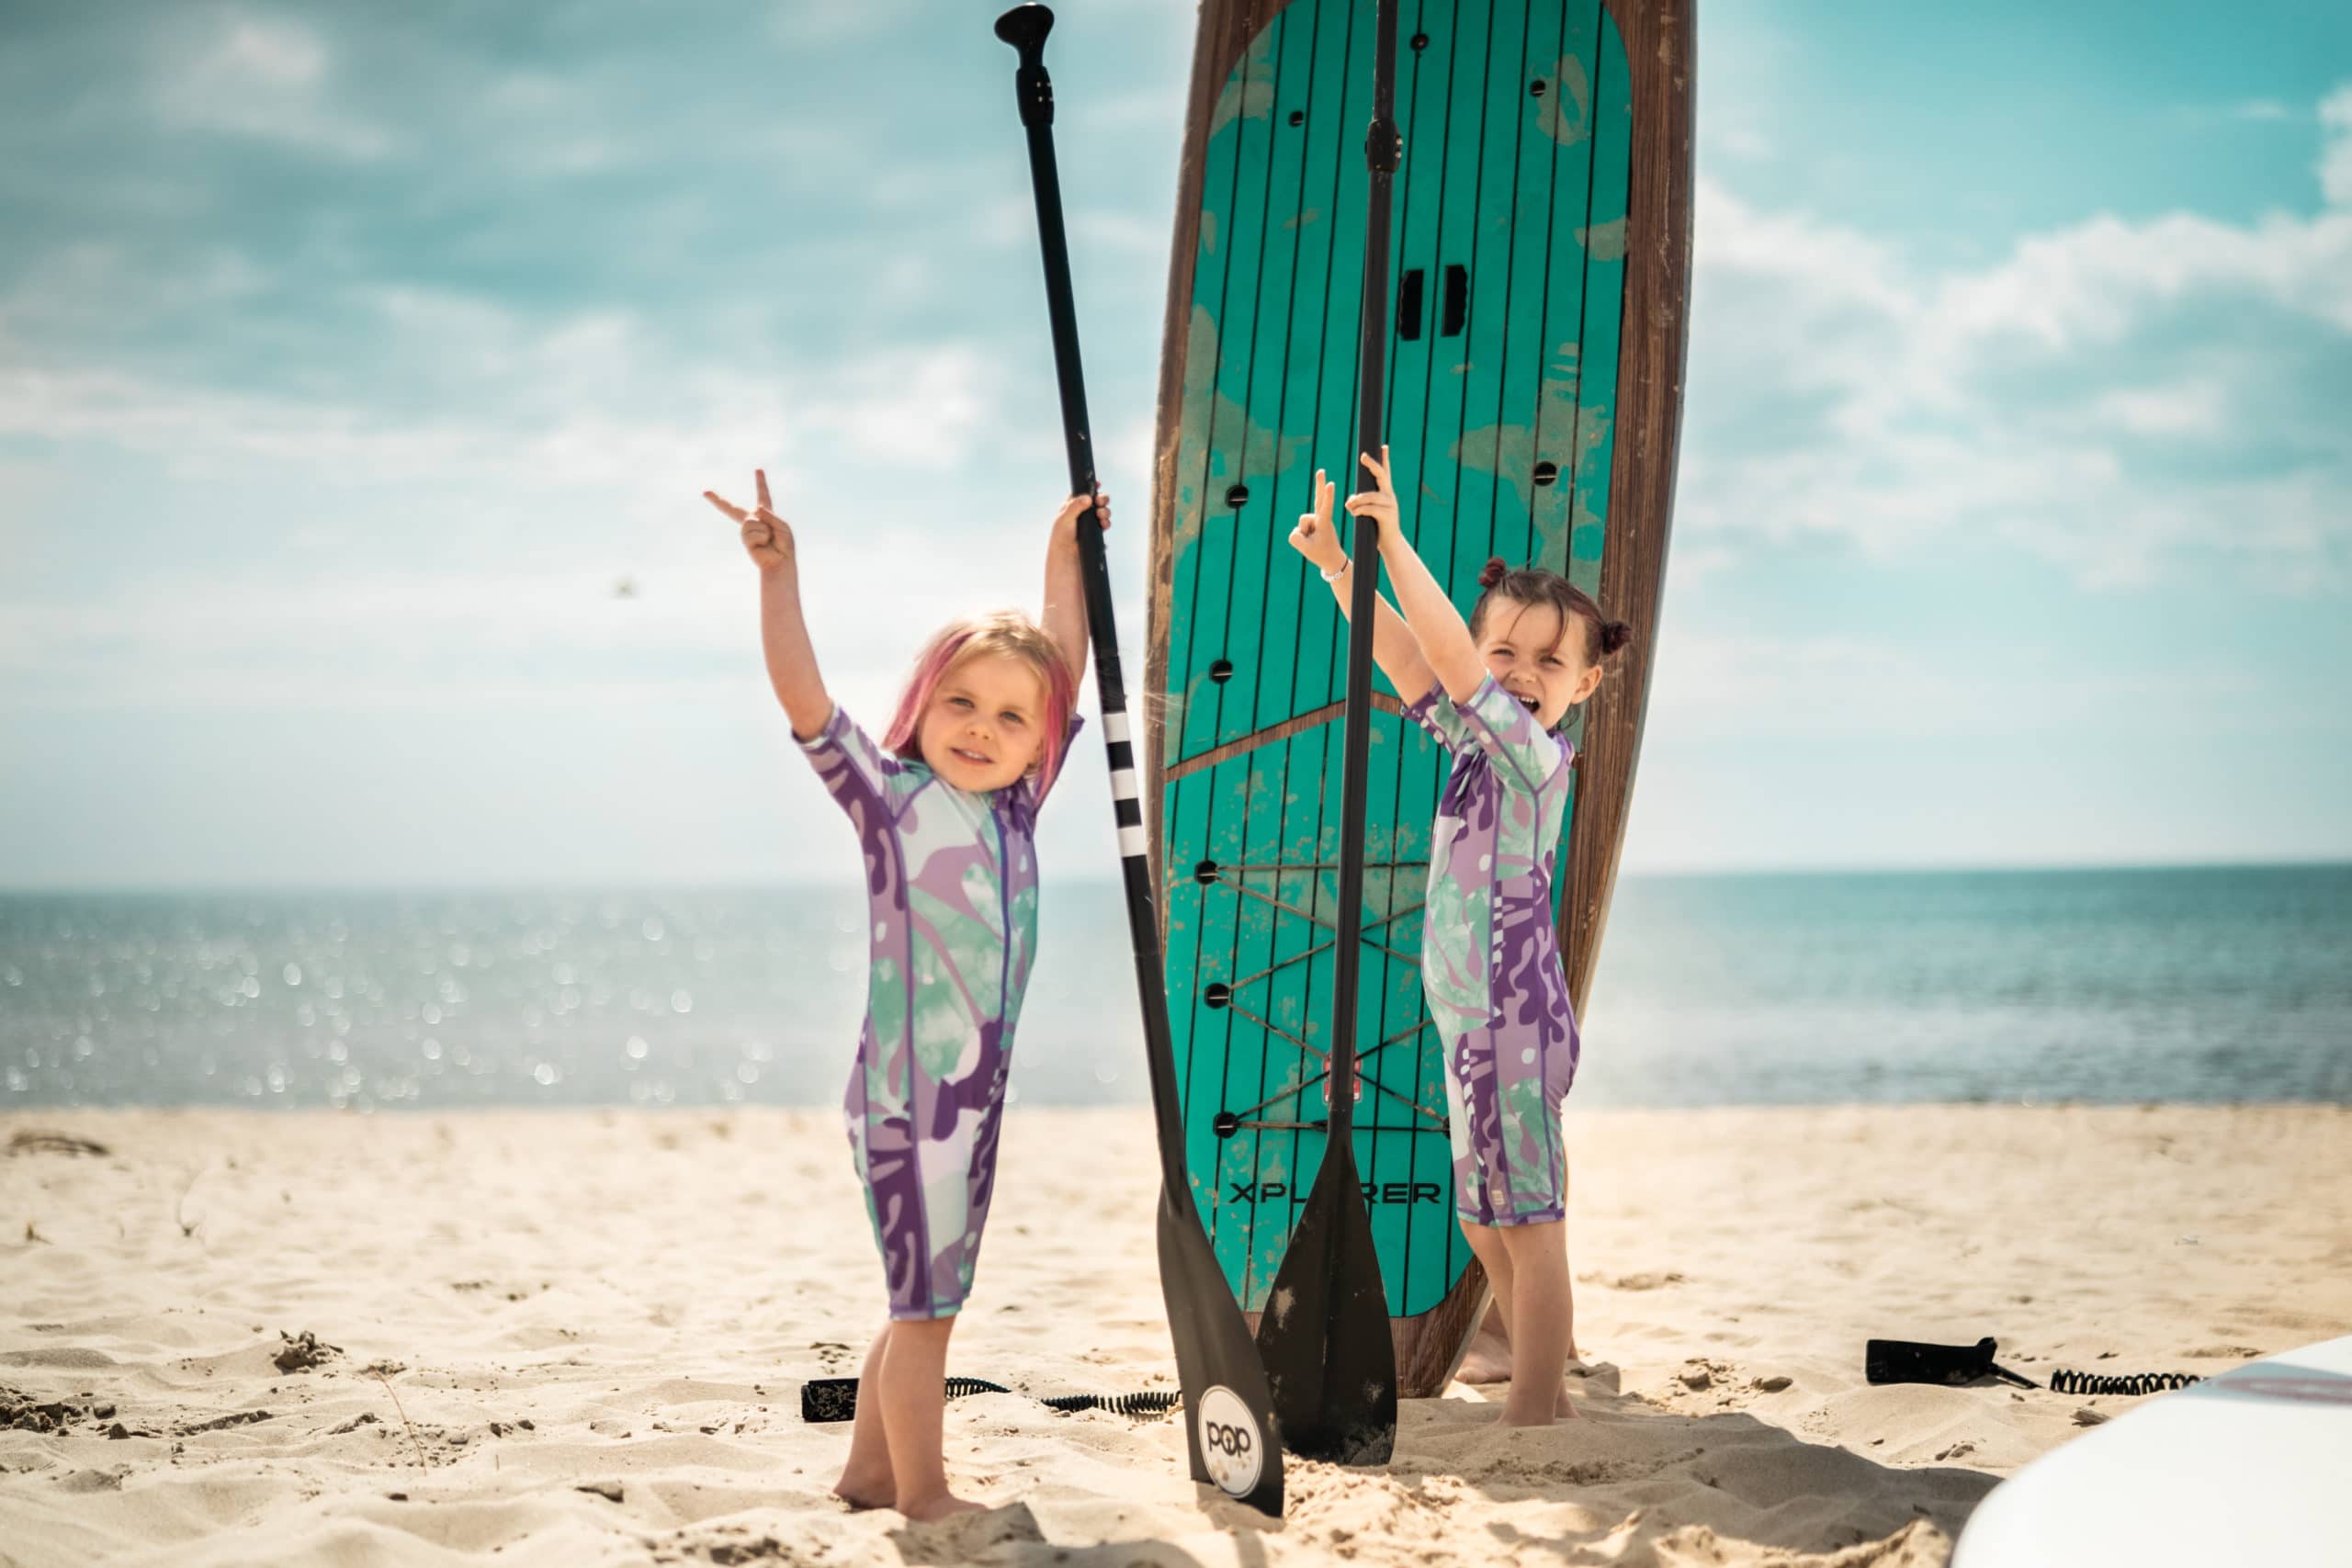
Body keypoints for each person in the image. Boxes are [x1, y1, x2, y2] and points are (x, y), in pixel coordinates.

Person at [703, 469, 1107, 1514]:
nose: (982, 726)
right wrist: (778, 577)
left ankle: (870, 1474)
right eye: (960, 703)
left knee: (923, 1300)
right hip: (903, 1104)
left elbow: (1061, 658)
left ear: (1039, 735)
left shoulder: (1016, 807)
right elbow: (804, 700)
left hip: (969, 1106)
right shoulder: (889, 799)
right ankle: (928, 1498)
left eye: (1009, 717)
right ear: (923, 706)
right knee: (928, 1310)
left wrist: (1063, 554)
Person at [1286, 450, 1631, 1425]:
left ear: (1585, 684)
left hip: (1515, 1025)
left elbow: (1442, 653)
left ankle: (1538, 1407)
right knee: (1484, 1218)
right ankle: (1533, 1364)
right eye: (1505, 655)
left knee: (1532, 1224)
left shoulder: (1531, 759)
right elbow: (1412, 659)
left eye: (1547, 661)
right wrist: (1343, 572)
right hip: (1468, 1022)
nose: (1520, 676)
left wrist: (1391, 542)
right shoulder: (1474, 747)